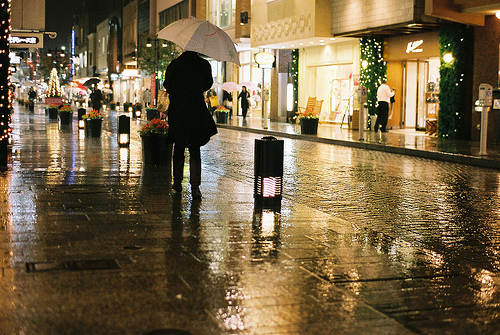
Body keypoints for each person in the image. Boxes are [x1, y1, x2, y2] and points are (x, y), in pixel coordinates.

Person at [163, 51, 217, 199]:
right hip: (195, 109)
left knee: (179, 146)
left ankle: (177, 181)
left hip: (178, 110)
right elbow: (208, 84)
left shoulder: (174, 64)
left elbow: (167, 84)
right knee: (194, 148)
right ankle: (195, 186)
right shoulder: (203, 64)